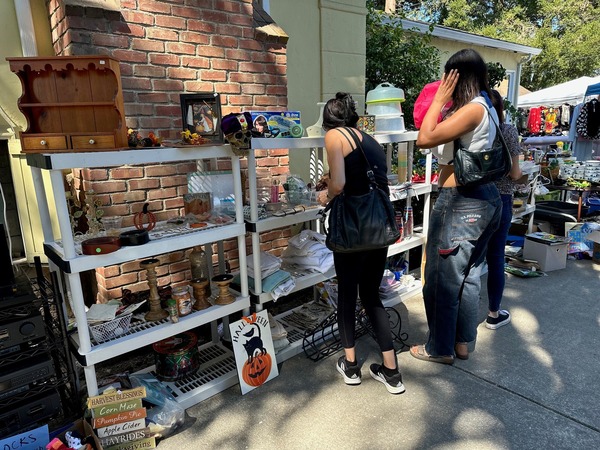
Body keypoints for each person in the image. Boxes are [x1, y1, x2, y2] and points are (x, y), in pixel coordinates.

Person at [410, 49, 502, 364]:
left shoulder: (473, 109)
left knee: (442, 278)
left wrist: (438, 100)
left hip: (461, 201)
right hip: (484, 199)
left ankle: (439, 348)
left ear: (456, 77)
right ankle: (462, 343)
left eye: (448, 78)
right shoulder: (487, 105)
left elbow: (425, 139)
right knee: (471, 273)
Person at [317, 92, 405, 394]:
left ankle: (351, 367)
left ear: (329, 121)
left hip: (352, 229)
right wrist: (331, 177)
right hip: (377, 228)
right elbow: (362, 176)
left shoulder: (334, 136)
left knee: (347, 295)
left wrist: (325, 193)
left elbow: (341, 184)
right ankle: (392, 372)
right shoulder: (369, 141)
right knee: (371, 295)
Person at [485, 89, 523, 330]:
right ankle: (493, 313)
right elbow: (516, 173)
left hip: (475, 198)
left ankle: (459, 316)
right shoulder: (507, 131)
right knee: (496, 257)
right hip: (502, 198)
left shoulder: (476, 131)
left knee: (467, 260)